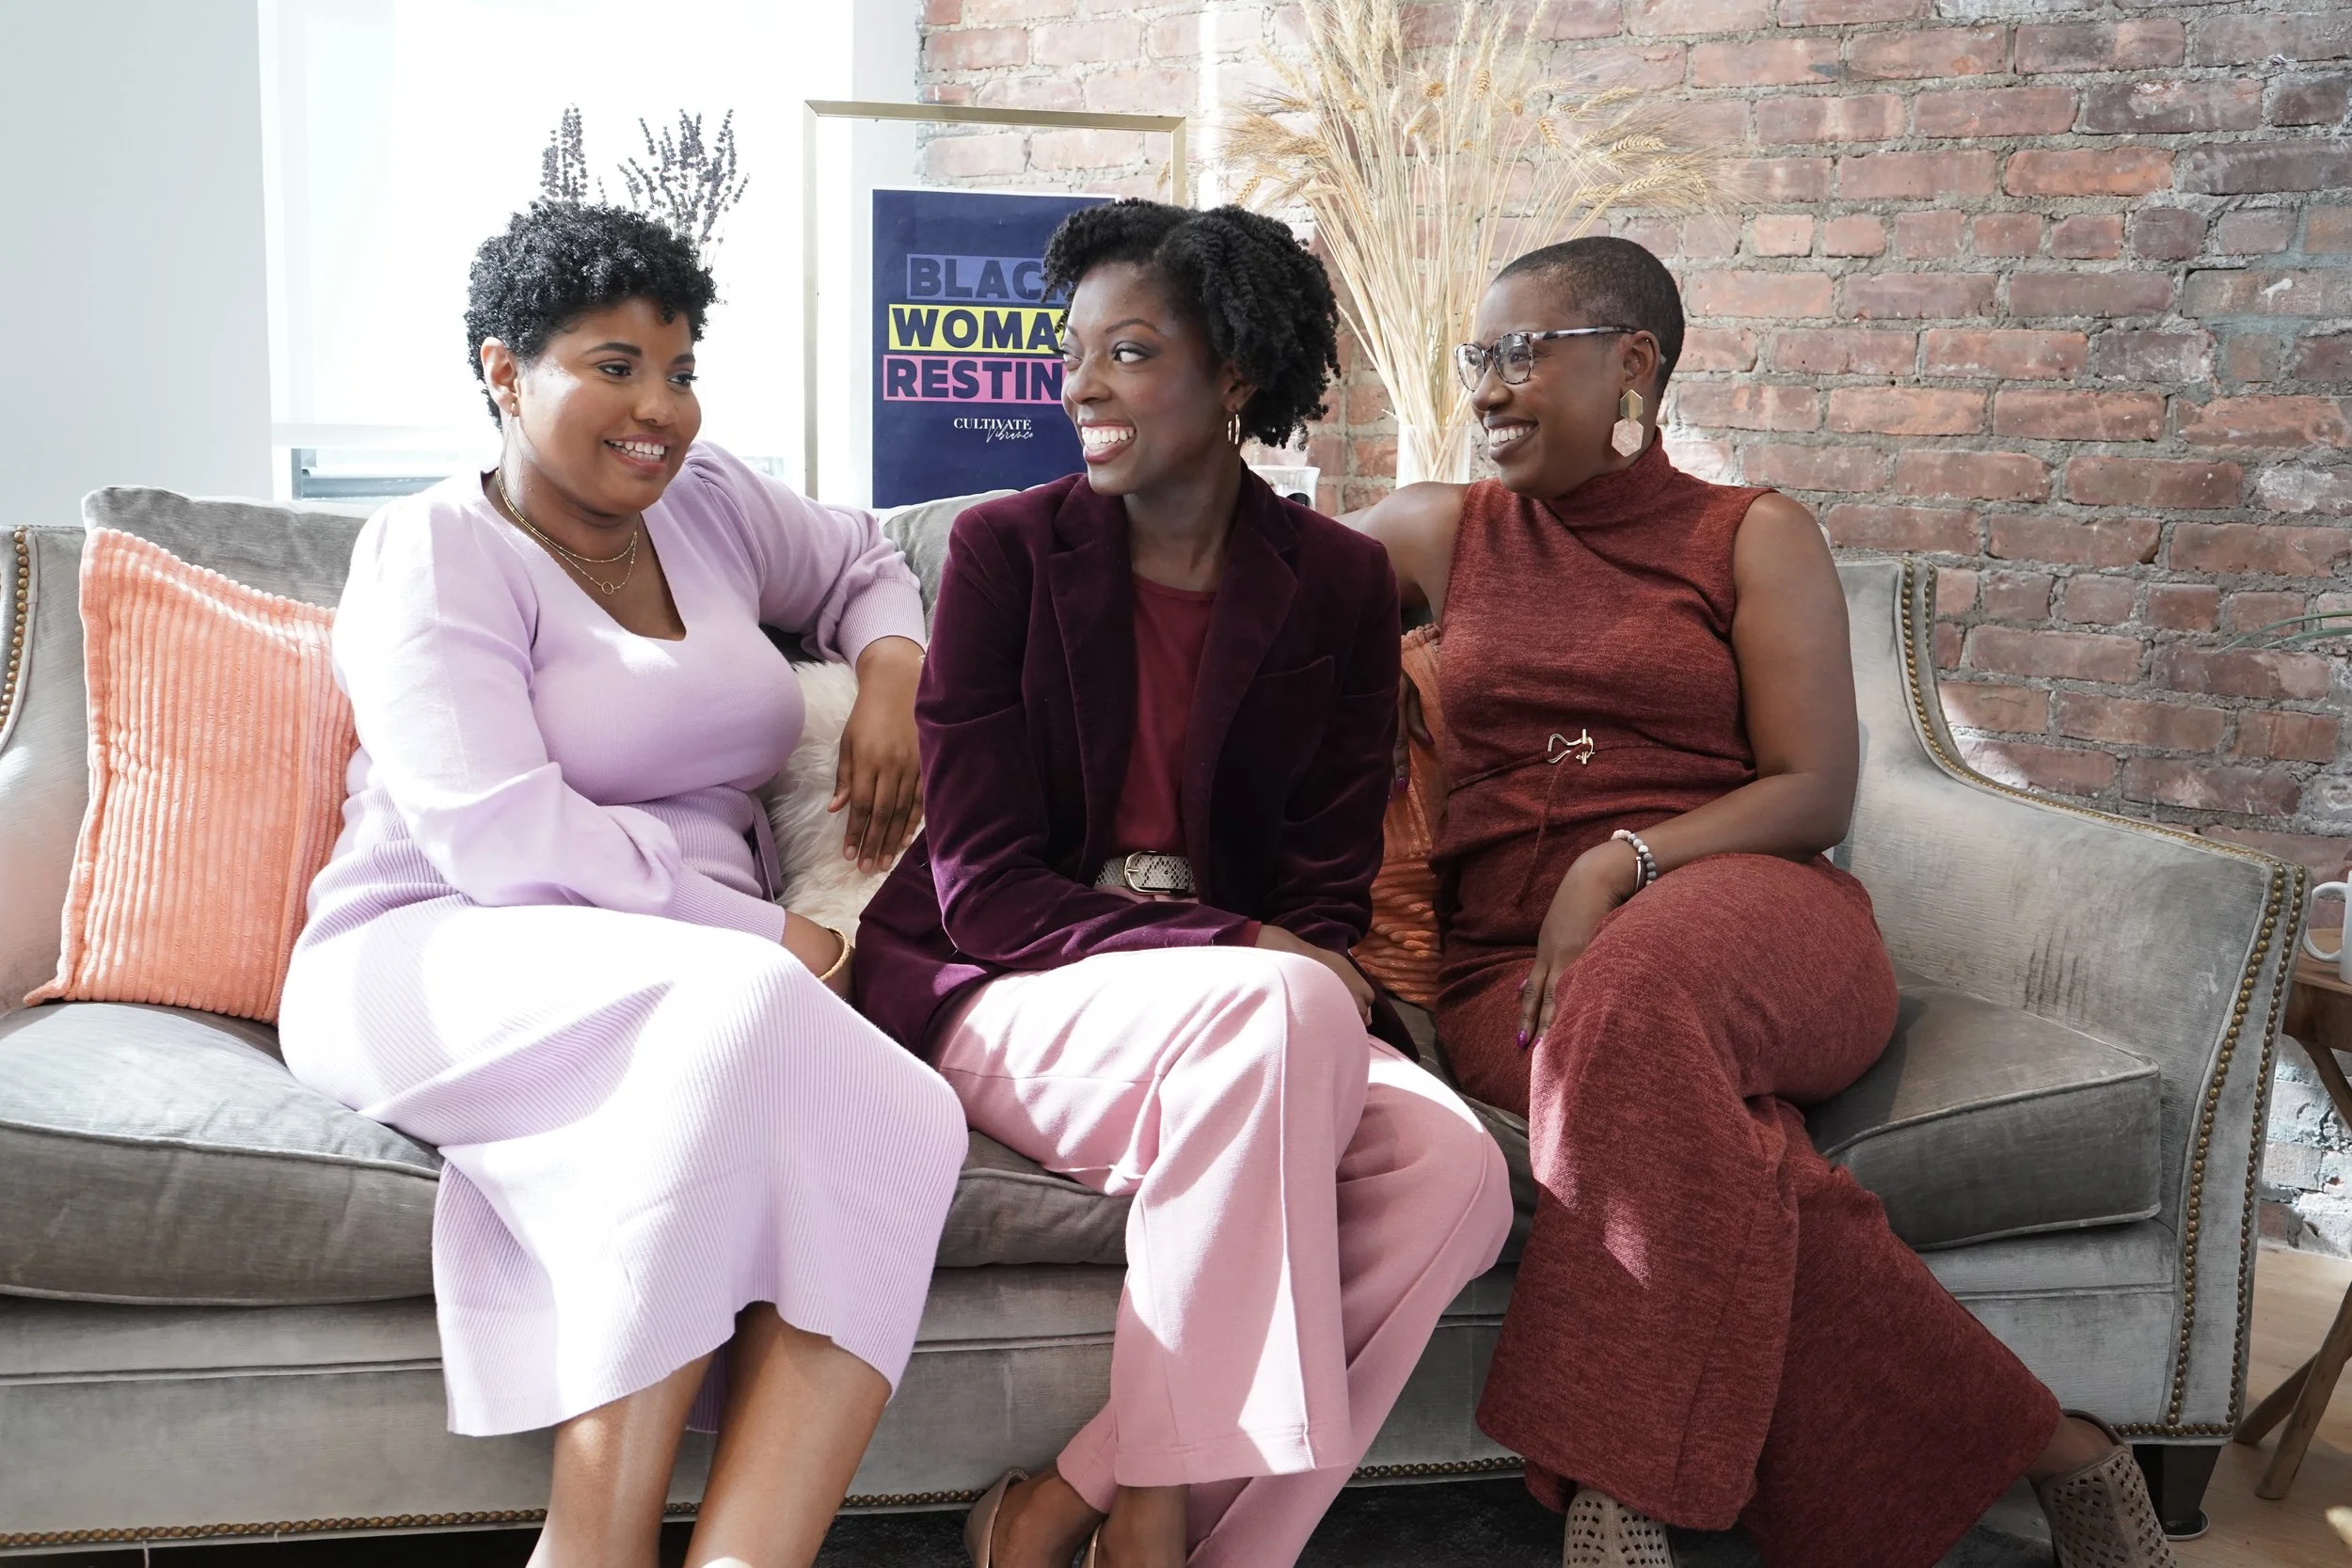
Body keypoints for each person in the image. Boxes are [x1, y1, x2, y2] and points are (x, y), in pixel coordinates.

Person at [1354, 234, 2178, 1568]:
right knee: (1732, 1158)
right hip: (1515, 971)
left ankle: (1622, 1492)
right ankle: (2056, 1448)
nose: (1490, 388)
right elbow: (1237, 597)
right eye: (1477, 358)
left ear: (1633, 364)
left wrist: (1617, 861)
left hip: (1758, 912)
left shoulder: (1750, 534)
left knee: (1637, 991)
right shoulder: (1439, 531)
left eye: (1523, 353)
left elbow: (1813, 790)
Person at [277, 202, 968, 1568]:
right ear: (503, 372)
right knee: (743, 1005)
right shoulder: (432, 548)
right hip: (435, 943)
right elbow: (500, 836)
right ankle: (591, 1545)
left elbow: (860, 560)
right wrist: (773, 934)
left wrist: (894, 675)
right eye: (614, 366)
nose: (661, 408)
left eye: (680, 368)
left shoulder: (706, 508)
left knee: (912, 1110)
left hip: (695, 971)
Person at [854, 199, 1514, 1568]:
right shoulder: (1002, 554)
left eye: (1130, 352)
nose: (1080, 387)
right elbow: (985, 889)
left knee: (1457, 1174)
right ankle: (1153, 1527)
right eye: (1072, 353)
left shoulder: (1337, 582)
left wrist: (1268, 952)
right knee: (1288, 1001)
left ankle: (1087, 1505)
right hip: (1014, 984)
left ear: (1235, 375)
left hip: (1254, 1013)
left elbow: (1328, 878)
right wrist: (1240, 942)